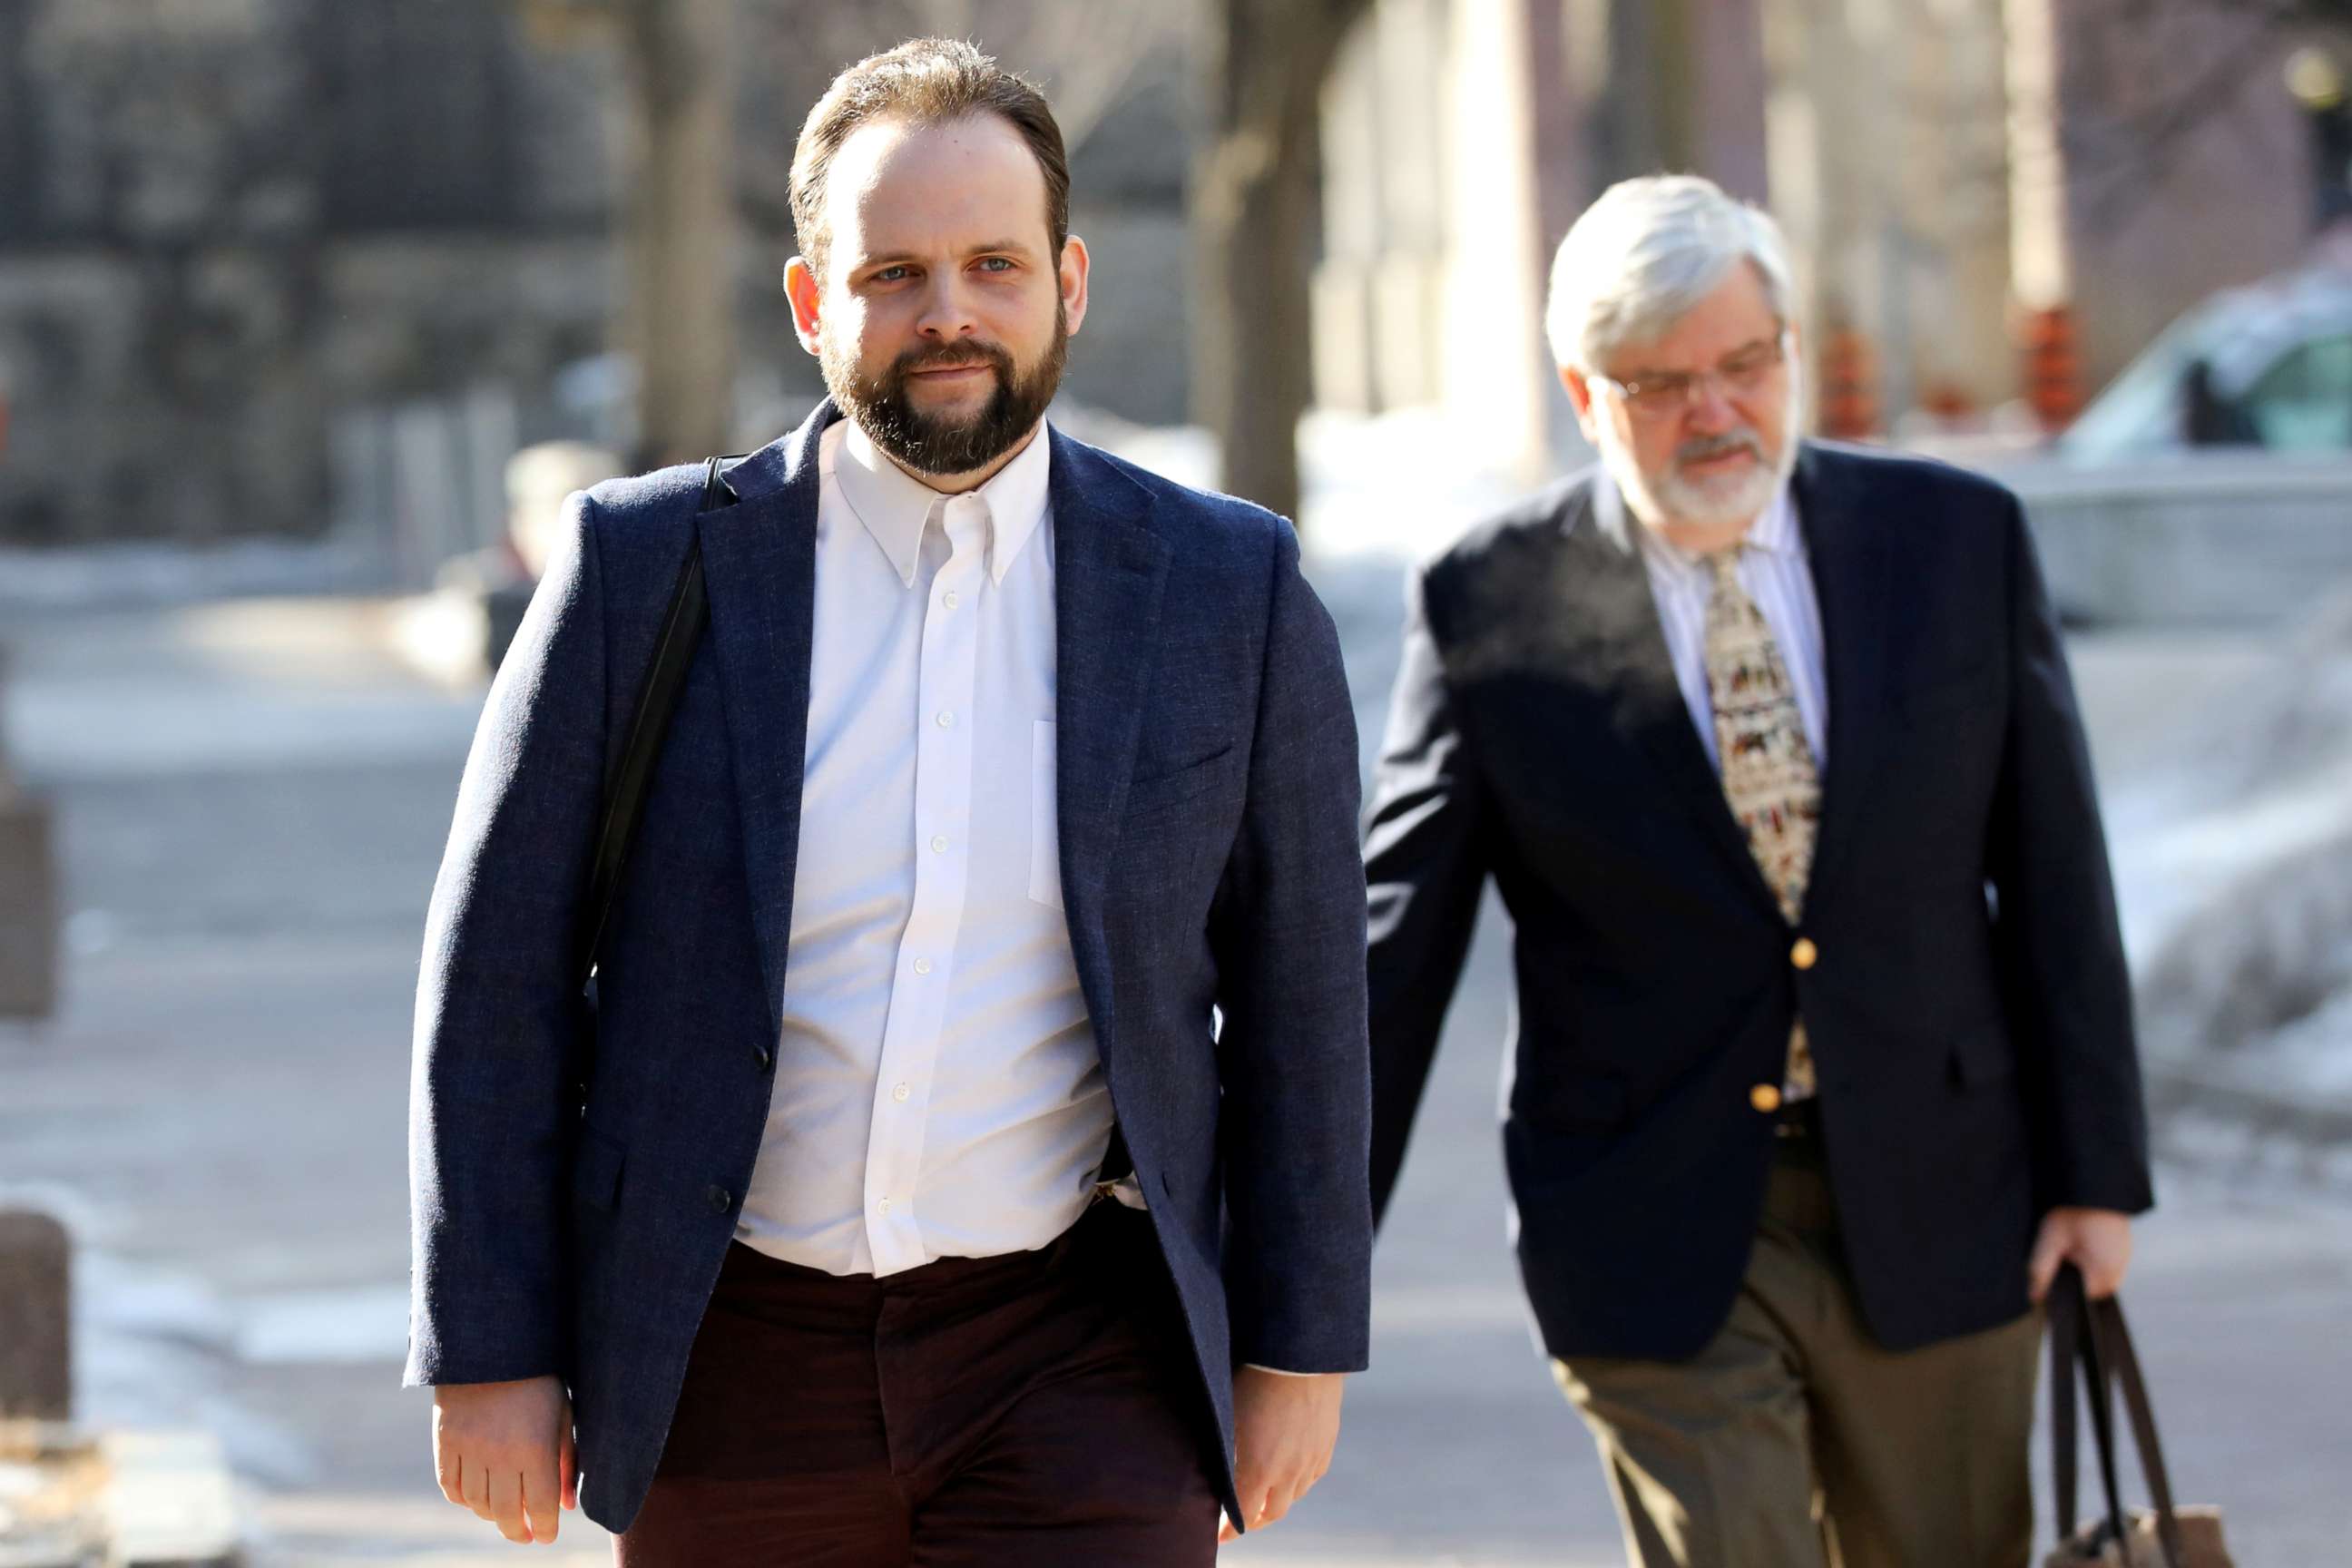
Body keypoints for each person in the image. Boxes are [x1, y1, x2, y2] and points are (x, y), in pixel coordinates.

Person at [407, 39, 1370, 1565]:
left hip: (1079, 1354)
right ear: (811, 303)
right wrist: (489, 1348)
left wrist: (1302, 1343)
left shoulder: (1225, 589)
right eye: (894, 272)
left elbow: (1306, 988)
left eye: (993, 263)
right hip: (727, 1361)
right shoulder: (640, 575)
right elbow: (499, 978)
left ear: (1069, 282)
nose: (950, 313)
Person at [1361, 174, 2152, 1568]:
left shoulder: (1953, 544)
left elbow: (2054, 874)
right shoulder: (1488, 600)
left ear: (1790, 350)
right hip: (1647, 1217)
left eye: (1743, 366)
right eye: (1661, 383)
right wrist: (1290, 1257)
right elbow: (1393, 944)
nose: (1714, 414)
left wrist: (2099, 1174)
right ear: (1583, 389)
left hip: (1944, 1188)